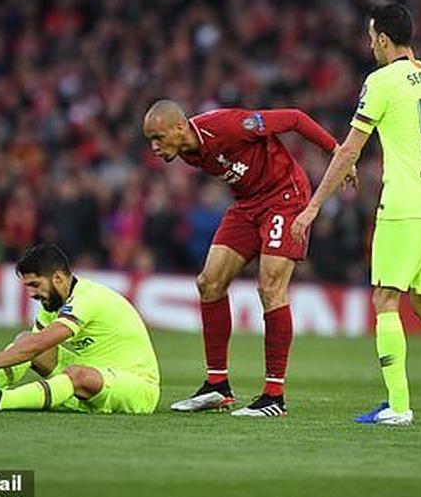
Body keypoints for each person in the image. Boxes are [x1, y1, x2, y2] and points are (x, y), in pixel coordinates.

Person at [290, 3, 421, 427]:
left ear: (383, 39)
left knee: (385, 298)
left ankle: (398, 405)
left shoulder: (381, 82)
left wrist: (312, 207)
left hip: (403, 206)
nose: (369, 45)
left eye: (370, 37)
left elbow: (349, 149)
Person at [142, 99, 355, 417]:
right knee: (209, 282)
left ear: (179, 126)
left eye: (159, 137)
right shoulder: (186, 152)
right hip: (248, 205)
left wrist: (338, 151)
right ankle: (217, 386)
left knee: (270, 288)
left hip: (285, 196)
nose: (155, 147)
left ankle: (274, 396)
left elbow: (295, 118)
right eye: (150, 141)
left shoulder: (230, 126)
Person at [0, 243, 160, 414]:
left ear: (58, 278)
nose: (31, 293)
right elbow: (31, 347)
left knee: (72, 370)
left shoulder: (87, 298)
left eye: (35, 285)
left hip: (136, 387)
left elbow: (39, 345)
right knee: (26, 338)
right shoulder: (52, 303)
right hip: (95, 374)